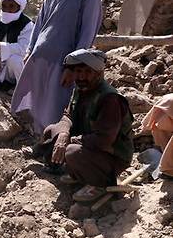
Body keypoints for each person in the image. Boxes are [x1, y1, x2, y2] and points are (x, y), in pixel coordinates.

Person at [11, 0, 102, 135]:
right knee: (37, 101)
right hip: (41, 56)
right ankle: (39, 138)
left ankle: (53, 143)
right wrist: (30, 50)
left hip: (64, 61)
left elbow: (87, 32)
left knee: (56, 104)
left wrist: (73, 66)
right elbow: (40, 22)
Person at [35, 49, 134, 203]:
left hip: (112, 156)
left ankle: (99, 184)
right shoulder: (80, 90)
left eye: (88, 72)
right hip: (90, 145)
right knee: (52, 131)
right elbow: (67, 116)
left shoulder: (110, 99)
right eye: (78, 71)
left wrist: (71, 140)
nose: (81, 76)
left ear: (99, 73)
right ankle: (74, 172)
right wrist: (63, 135)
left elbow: (104, 140)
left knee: (72, 152)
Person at [142, 94, 173, 179]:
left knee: (160, 126)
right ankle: (169, 170)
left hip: (164, 107)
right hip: (166, 109)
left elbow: (149, 123)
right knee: (161, 126)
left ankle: (165, 156)